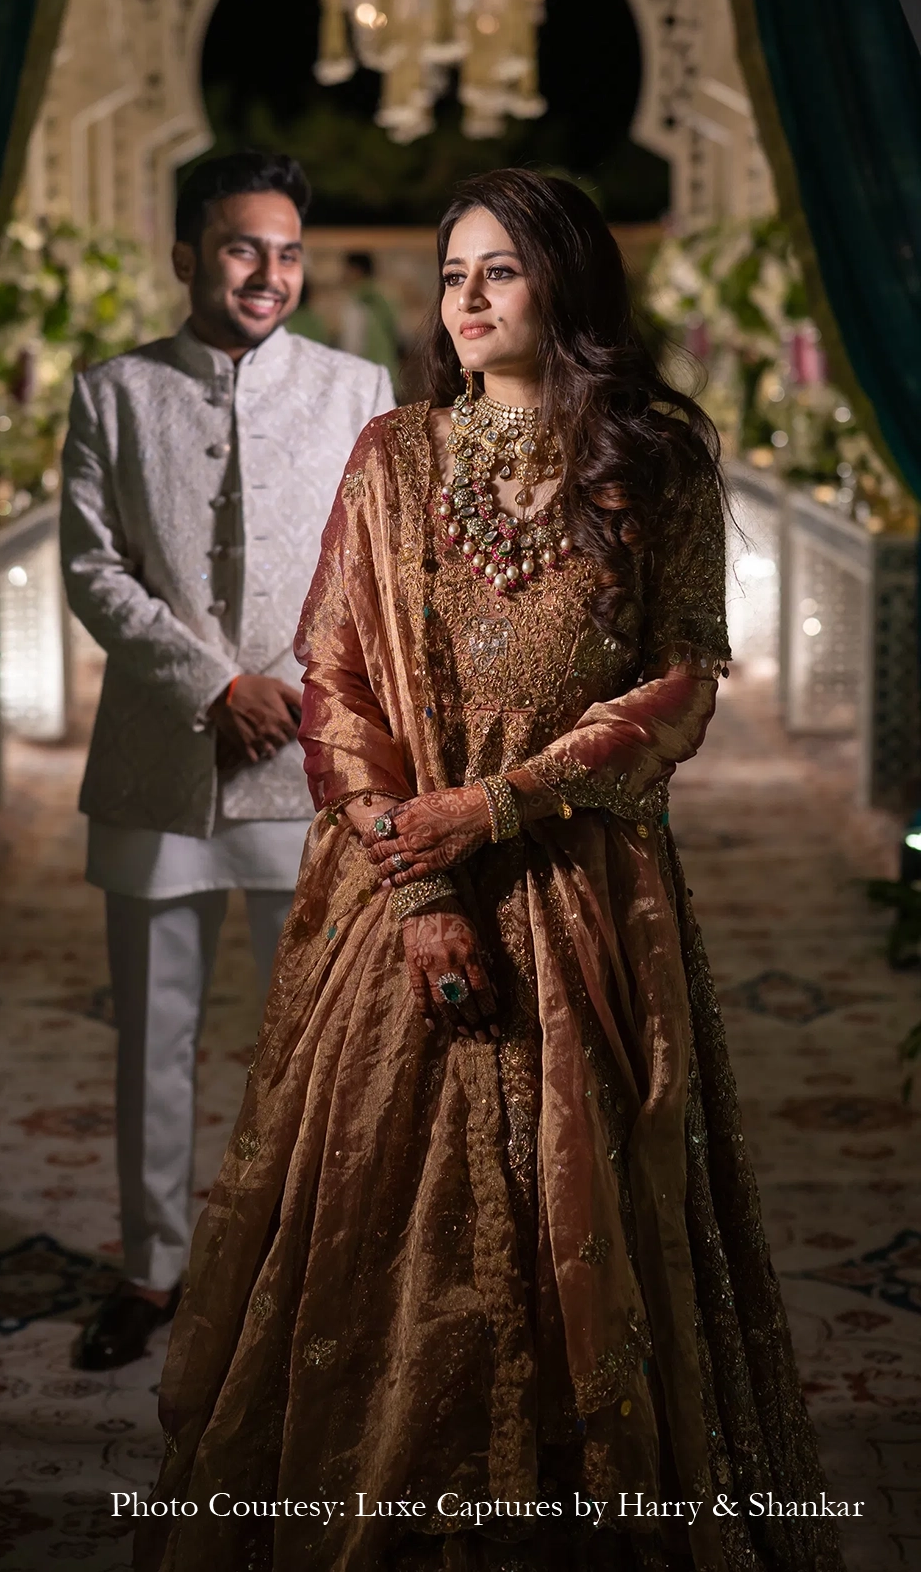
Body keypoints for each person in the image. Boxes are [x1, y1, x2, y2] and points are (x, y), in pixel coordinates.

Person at [135, 171, 845, 1572]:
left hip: (588, 887)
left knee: (586, 1210)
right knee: (376, 1218)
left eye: (500, 270)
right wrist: (420, 878)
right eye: (454, 271)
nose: (464, 295)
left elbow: (686, 681)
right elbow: (333, 681)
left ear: (566, 286)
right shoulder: (391, 459)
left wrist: (508, 800)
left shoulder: (654, 463)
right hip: (404, 898)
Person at [59, 150, 394, 1373]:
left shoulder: (357, 388)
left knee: (309, 1034)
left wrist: (296, 693)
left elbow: (373, 566)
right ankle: (150, 1272)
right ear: (188, 256)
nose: (269, 273)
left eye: (288, 251)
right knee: (153, 1031)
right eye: (244, 248)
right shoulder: (112, 393)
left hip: (307, 762)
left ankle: (297, 1267)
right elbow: (93, 570)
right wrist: (214, 685)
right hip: (161, 756)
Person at [339, 247, 403, 393]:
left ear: (356, 271)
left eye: (346, 269)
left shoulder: (358, 301)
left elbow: (353, 343)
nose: (343, 275)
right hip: (389, 376)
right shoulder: (384, 297)